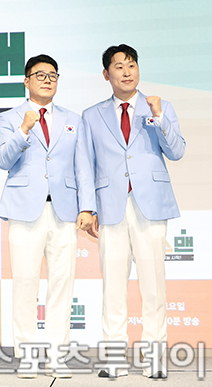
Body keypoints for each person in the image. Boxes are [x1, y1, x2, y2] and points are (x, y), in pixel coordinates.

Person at [82, 44, 185, 379]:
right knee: (113, 287)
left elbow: (177, 151)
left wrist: (158, 118)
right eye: (119, 66)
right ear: (106, 74)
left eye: (131, 65)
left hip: (150, 205)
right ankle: (114, 359)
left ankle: (154, 359)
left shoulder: (159, 107)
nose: (127, 72)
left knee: (154, 286)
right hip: (110, 207)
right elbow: (86, 165)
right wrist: (88, 208)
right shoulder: (92, 115)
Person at [0, 54, 95, 378]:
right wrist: (24, 129)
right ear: (26, 81)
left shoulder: (73, 119)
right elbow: (2, 161)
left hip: (65, 211)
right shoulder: (9, 118)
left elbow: (83, 166)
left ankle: (57, 356)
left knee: (62, 284)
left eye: (53, 75)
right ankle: (27, 357)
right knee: (25, 284)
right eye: (40, 75)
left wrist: (87, 207)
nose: (48, 80)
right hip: (24, 209)